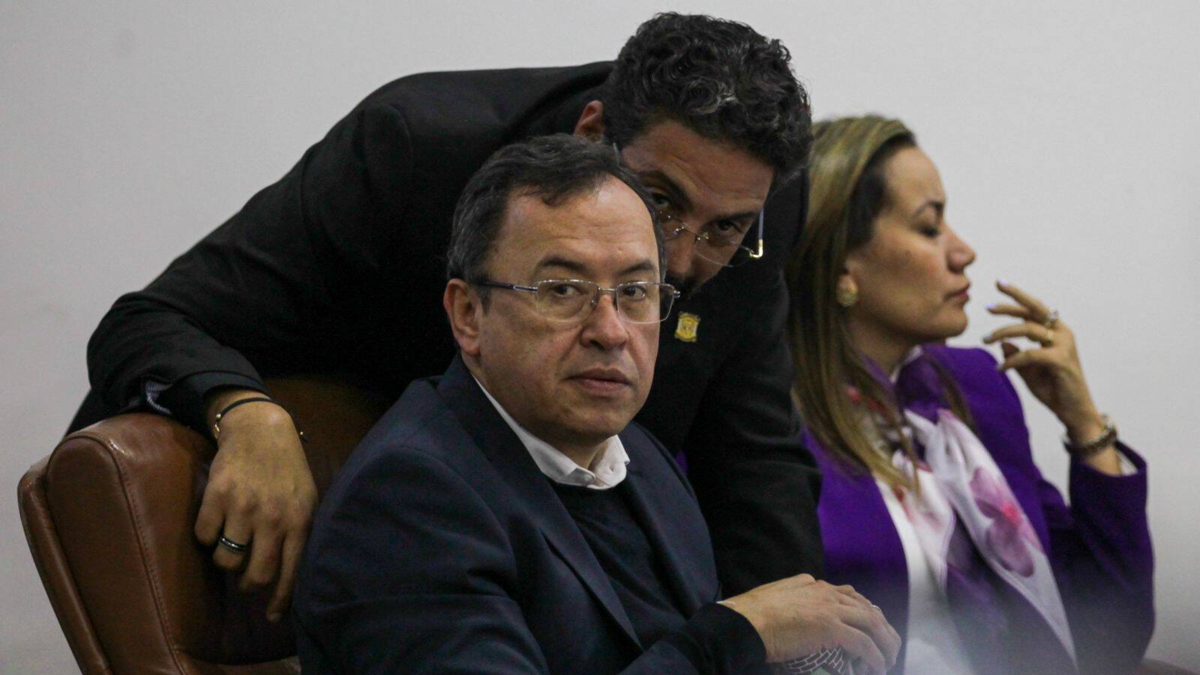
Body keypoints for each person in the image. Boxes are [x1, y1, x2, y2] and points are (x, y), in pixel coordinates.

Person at [75, 13, 824, 621]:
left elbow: (755, 465)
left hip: (568, 576)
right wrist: (244, 412)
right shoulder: (413, 149)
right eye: (659, 201)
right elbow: (149, 319)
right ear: (592, 134)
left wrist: (801, 641)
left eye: (723, 228)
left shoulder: (752, 203)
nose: (679, 259)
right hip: (389, 558)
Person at [293, 135, 899, 675]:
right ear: (469, 315)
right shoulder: (409, 500)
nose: (611, 331)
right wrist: (736, 634)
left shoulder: (640, 459)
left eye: (635, 292)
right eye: (563, 290)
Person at [785, 114, 1154, 674]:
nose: (964, 252)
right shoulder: (772, 422)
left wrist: (1085, 425)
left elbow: (1111, 628)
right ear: (842, 264)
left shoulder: (973, 385)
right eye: (929, 227)